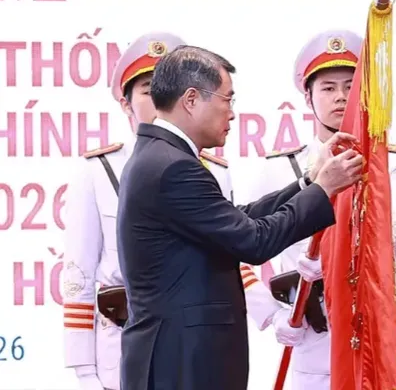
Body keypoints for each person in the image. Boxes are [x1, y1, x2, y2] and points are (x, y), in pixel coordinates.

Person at [116, 45, 364, 390]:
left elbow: (236, 220)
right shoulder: (172, 166)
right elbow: (254, 241)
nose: (232, 114)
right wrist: (324, 189)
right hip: (182, 363)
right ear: (191, 100)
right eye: (227, 99)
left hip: (182, 358)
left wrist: (309, 181)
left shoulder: (162, 156)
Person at [240, 29, 396, 389]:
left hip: (380, 327)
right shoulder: (279, 169)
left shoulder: (392, 160)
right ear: (308, 97)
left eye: (351, 87)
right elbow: (237, 247)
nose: (341, 97)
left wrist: (332, 255)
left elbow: (391, 229)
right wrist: (270, 314)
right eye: (328, 88)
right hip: (313, 331)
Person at [61, 32, 234, 390]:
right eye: (148, 90)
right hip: (119, 350)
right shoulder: (97, 171)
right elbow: (79, 272)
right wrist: (84, 369)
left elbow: (230, 255)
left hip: (193, 348)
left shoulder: (213, 171)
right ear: (126, 104)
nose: (160, 100)